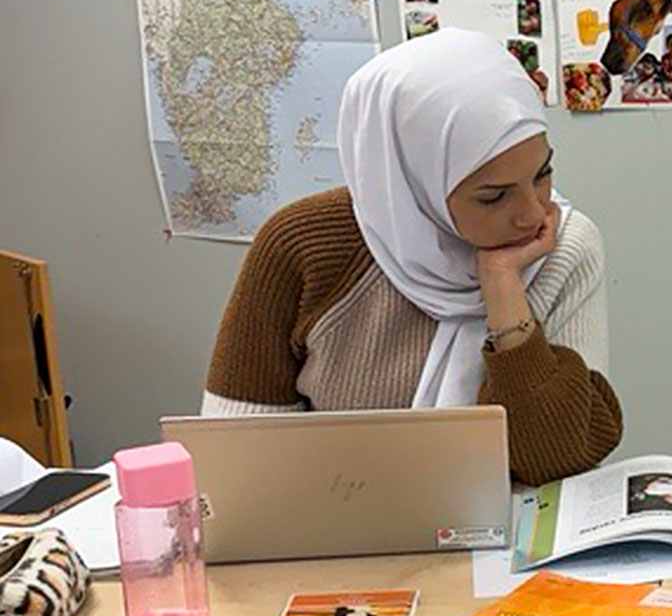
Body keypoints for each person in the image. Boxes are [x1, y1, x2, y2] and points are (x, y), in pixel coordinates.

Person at [204, 29, 622, 487]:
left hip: (510, 544)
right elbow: (234, 455)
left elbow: (562, 461)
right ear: (415, 184)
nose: (532, 214)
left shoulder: (564, 245)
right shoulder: (301, 246)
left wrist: (503, 290)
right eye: (493, 197)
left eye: (542, 174)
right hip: (339, 532)